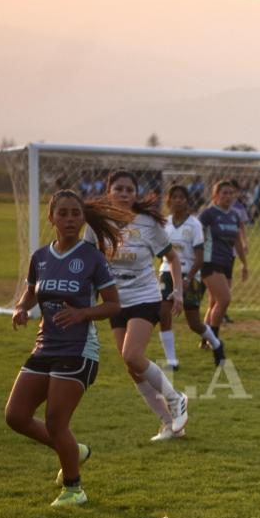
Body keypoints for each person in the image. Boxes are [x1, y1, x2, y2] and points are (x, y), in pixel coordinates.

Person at [4, 189, 125, 507]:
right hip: (45, 346)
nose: (71, 219)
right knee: (16, 416)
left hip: (79, 350)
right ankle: (73, 450)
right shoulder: (41, 257)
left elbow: (113, 305)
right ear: (51, 217)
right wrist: (20, 307)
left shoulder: (92, 257)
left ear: (83, 218)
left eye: (76, 213)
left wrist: (83, 313)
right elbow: (31, 292)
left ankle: (74, 489)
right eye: (64, 213)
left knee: (57, 422)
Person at [88, 169, 191, 443]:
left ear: (136, 194)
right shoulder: (98, 223)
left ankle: (176, 397)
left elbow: (173, 258)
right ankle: (169, 425)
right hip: (115, 302)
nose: (124, 194)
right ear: (109, 191)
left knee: (133, 356)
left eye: (129, 190)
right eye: (118, 189)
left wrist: (178, 293)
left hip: (145, 297)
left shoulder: (147, 223)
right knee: (130, 366)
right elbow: (87, 257)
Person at [158, 184, 225, 375]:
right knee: (163, 312)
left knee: (194, 322)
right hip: (166, 271)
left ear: (187, 201)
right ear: (168, 200)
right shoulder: (164, 223)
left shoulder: (194, 225)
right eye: (174, 197)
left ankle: (217, 344)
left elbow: (200, 256)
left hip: (190, 274)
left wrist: (187, 277)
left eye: (182, 197)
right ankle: (172, 360)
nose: (178, 200)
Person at [198, 179, 249, 346]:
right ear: (215, 196)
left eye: (231, 193)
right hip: (210, 262)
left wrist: (244, 264)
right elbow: (195, 233)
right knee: (224, 299)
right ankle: (214, 341)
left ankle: (205, 340)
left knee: (214, 302)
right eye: (224, 193)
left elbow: (236, 242)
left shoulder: (234, 215)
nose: (228, 196)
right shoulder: (208, 214)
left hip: (228, 262)